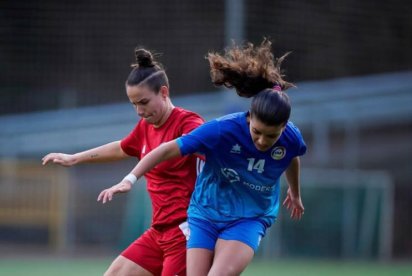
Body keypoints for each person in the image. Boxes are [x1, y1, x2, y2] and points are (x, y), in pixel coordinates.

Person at [98, 39, 307, 276]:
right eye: (256, 132)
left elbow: (292, 156)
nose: (261, 141)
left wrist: (295, 192)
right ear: (249, 118)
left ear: (284, 127)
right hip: (205, 214)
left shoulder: (292, 138)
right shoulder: (222, 130)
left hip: (248, 217)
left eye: (272, 136)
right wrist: (130, 179)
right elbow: (166, 149)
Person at [42, 48, 204, 276]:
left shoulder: (189, 123)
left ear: (164, 92)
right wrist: (74, 158)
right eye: (134, 104)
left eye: (144, 102)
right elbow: (122, 147)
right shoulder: (146, 127)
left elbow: (216, 154)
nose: (139, 111)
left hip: (187, 232)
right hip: (159, 232)